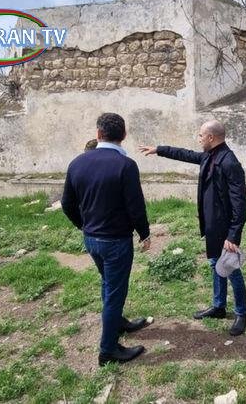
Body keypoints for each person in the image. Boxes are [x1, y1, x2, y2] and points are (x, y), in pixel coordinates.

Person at [138, 120, 246, 336]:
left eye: (200, 135)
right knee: (215, 264)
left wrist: (233, 235)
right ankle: (218, 307)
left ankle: (241, 313)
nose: (198, 139)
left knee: (231, 269)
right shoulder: (209, 155)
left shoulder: (229, 162)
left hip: (225, 229)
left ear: (211, 138)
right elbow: (186, 154)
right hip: (212, 226)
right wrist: (159, 150)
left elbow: (240, 203)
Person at [62, 112, 151, 366]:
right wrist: (144, 233)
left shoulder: (77, 163)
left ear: (99, 134)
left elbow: (67, 203)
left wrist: (84, 225)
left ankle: (118, 323)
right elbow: (135, 206)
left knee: (108, 284)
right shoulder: (126, 165)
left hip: (92, 239)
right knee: (115, 292)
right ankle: (108, 350)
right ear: (124, 135)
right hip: (116, 242)